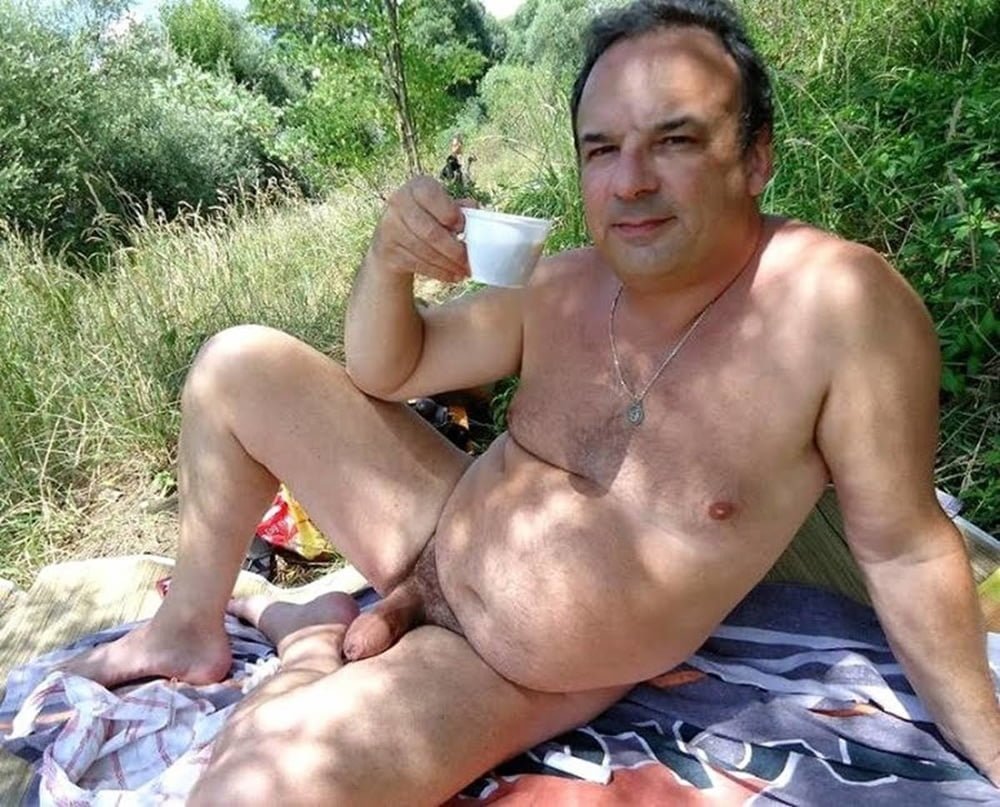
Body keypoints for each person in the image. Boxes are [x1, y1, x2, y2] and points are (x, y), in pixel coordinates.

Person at [63, 0, 1000, 802]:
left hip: (510, 664)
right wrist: (388, 264)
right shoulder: (561, 283)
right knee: (237, 364)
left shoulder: (840, 309)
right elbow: (390, 367)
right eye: (602, 149)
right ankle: (188, 628)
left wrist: (991, 746)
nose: (630, 181)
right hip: (436, 531)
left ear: (756, 157)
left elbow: (905, 547)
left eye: (675, 140)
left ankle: (307, 640)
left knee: (254, 791)